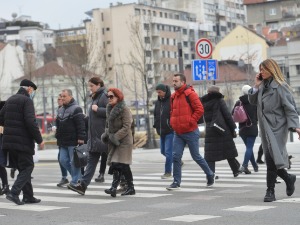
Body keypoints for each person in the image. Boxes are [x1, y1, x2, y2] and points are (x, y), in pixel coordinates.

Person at [248, 58, 300, 202]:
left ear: (271, 69)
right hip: (265, 127)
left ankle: (270, 191)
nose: (261, 72)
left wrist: (296, 126)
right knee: (272, 158)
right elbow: (252, 102)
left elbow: (290, 109)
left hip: (278, 127)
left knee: (271, 159)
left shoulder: (280, 86)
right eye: (260, 69)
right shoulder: (262, 86)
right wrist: (256, 86)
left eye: (263, 69)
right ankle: (289, 178)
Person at [166, 73, 215, 190]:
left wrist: (190, 121)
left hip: (190, 131)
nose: (173, 83)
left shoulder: (190, 94)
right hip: (178, 132)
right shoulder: (173, 96)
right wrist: (172, 123)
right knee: (176, 156)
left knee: (196, 156)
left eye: (176, 81)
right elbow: (173, 112)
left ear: (182, 82)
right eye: (173, 81)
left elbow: (199, 109)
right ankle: (176, 182)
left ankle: (210, 174)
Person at [0, 79, 45, 205]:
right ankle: (14, 193)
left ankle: (28, 196)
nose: (32, 93)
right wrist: (39, 139)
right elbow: (31, 122)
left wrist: (10, 128)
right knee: (27, 167)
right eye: (33, 90)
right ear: (29, 89)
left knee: (22, 168)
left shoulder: (10, 99)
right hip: (22, 141)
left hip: (9, 142)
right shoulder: (27, 101)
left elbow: (1, 117)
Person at [68, 77, 108, 195]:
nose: (90, 88)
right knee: (91, 162)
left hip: (103, 136)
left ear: (99, 84)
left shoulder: (104, 96)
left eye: (91, 86)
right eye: (89, 86)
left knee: (115, 161)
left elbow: (111, 112)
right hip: (95, 137)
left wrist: (98, 110)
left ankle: (124, 181)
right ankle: (83, 186)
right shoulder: (95, 98)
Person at [101, 88, 135, 197]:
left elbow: (126, 127)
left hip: (124, 141)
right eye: (108, 97)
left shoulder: (124, 109)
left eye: (111, 96)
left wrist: (115, 137)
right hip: (114, 141)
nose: (109, 99)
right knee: (116, 164)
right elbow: (108, 125)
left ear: (118, 97)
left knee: (122, 164)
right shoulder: (109, 108)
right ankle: (115, 188)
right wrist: (106, 134)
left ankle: (129, 187)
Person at [201, 85, 240, 178]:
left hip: (210, 129)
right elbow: (227, 116)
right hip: (222, 129)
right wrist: (233, 128)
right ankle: (235, 170)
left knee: (210, 155)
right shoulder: (219, 101)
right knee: (228, 151)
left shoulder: (204, 102)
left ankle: (211, 174)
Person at [56, 89, 86, 187]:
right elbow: (58, 125)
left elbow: (81, 125)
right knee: (63, 160)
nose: (62, 98)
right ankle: (78, 177)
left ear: (70, 96)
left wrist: (81, 137)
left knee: (74, 162)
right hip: (63, 141)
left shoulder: (76, 109)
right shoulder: (60, 110)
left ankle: (74, 182)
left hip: (73, 140)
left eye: (64, 96)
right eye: (61, 96)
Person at [233, 85, 259, 174]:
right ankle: (244, 165)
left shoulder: (238, 102)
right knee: (249, 147)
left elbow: (233, 114)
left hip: (242, 129)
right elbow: (259, 115)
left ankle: (255, 166)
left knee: (249, 148)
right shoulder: (254, 102)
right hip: (252, 128)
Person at [153, 84, 174, 179]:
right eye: (157, 92)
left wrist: (171, 124)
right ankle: (177, 160)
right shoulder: (158, 102)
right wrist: (155, 125)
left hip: (170, 130)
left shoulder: (171, 100)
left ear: (164, 91)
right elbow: (156, 115)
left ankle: (168, 172)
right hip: (161, 131)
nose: (158, 94)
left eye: (159, 92)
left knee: (168, 152)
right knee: (163, 151)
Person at [55, 94, 70, 187]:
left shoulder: (69, 108)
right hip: (62, 139)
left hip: (70, 139)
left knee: (73, 159)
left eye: (61, 99)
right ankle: (65, 177)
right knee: (61, 158)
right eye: (58, 99)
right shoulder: (59, 110)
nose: (59, 100)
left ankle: (78, 177)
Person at [0, 101, 9, 196]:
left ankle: (5, 185)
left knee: (0, 164)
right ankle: (5, 185)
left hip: (1, 140)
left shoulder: (3, 105)